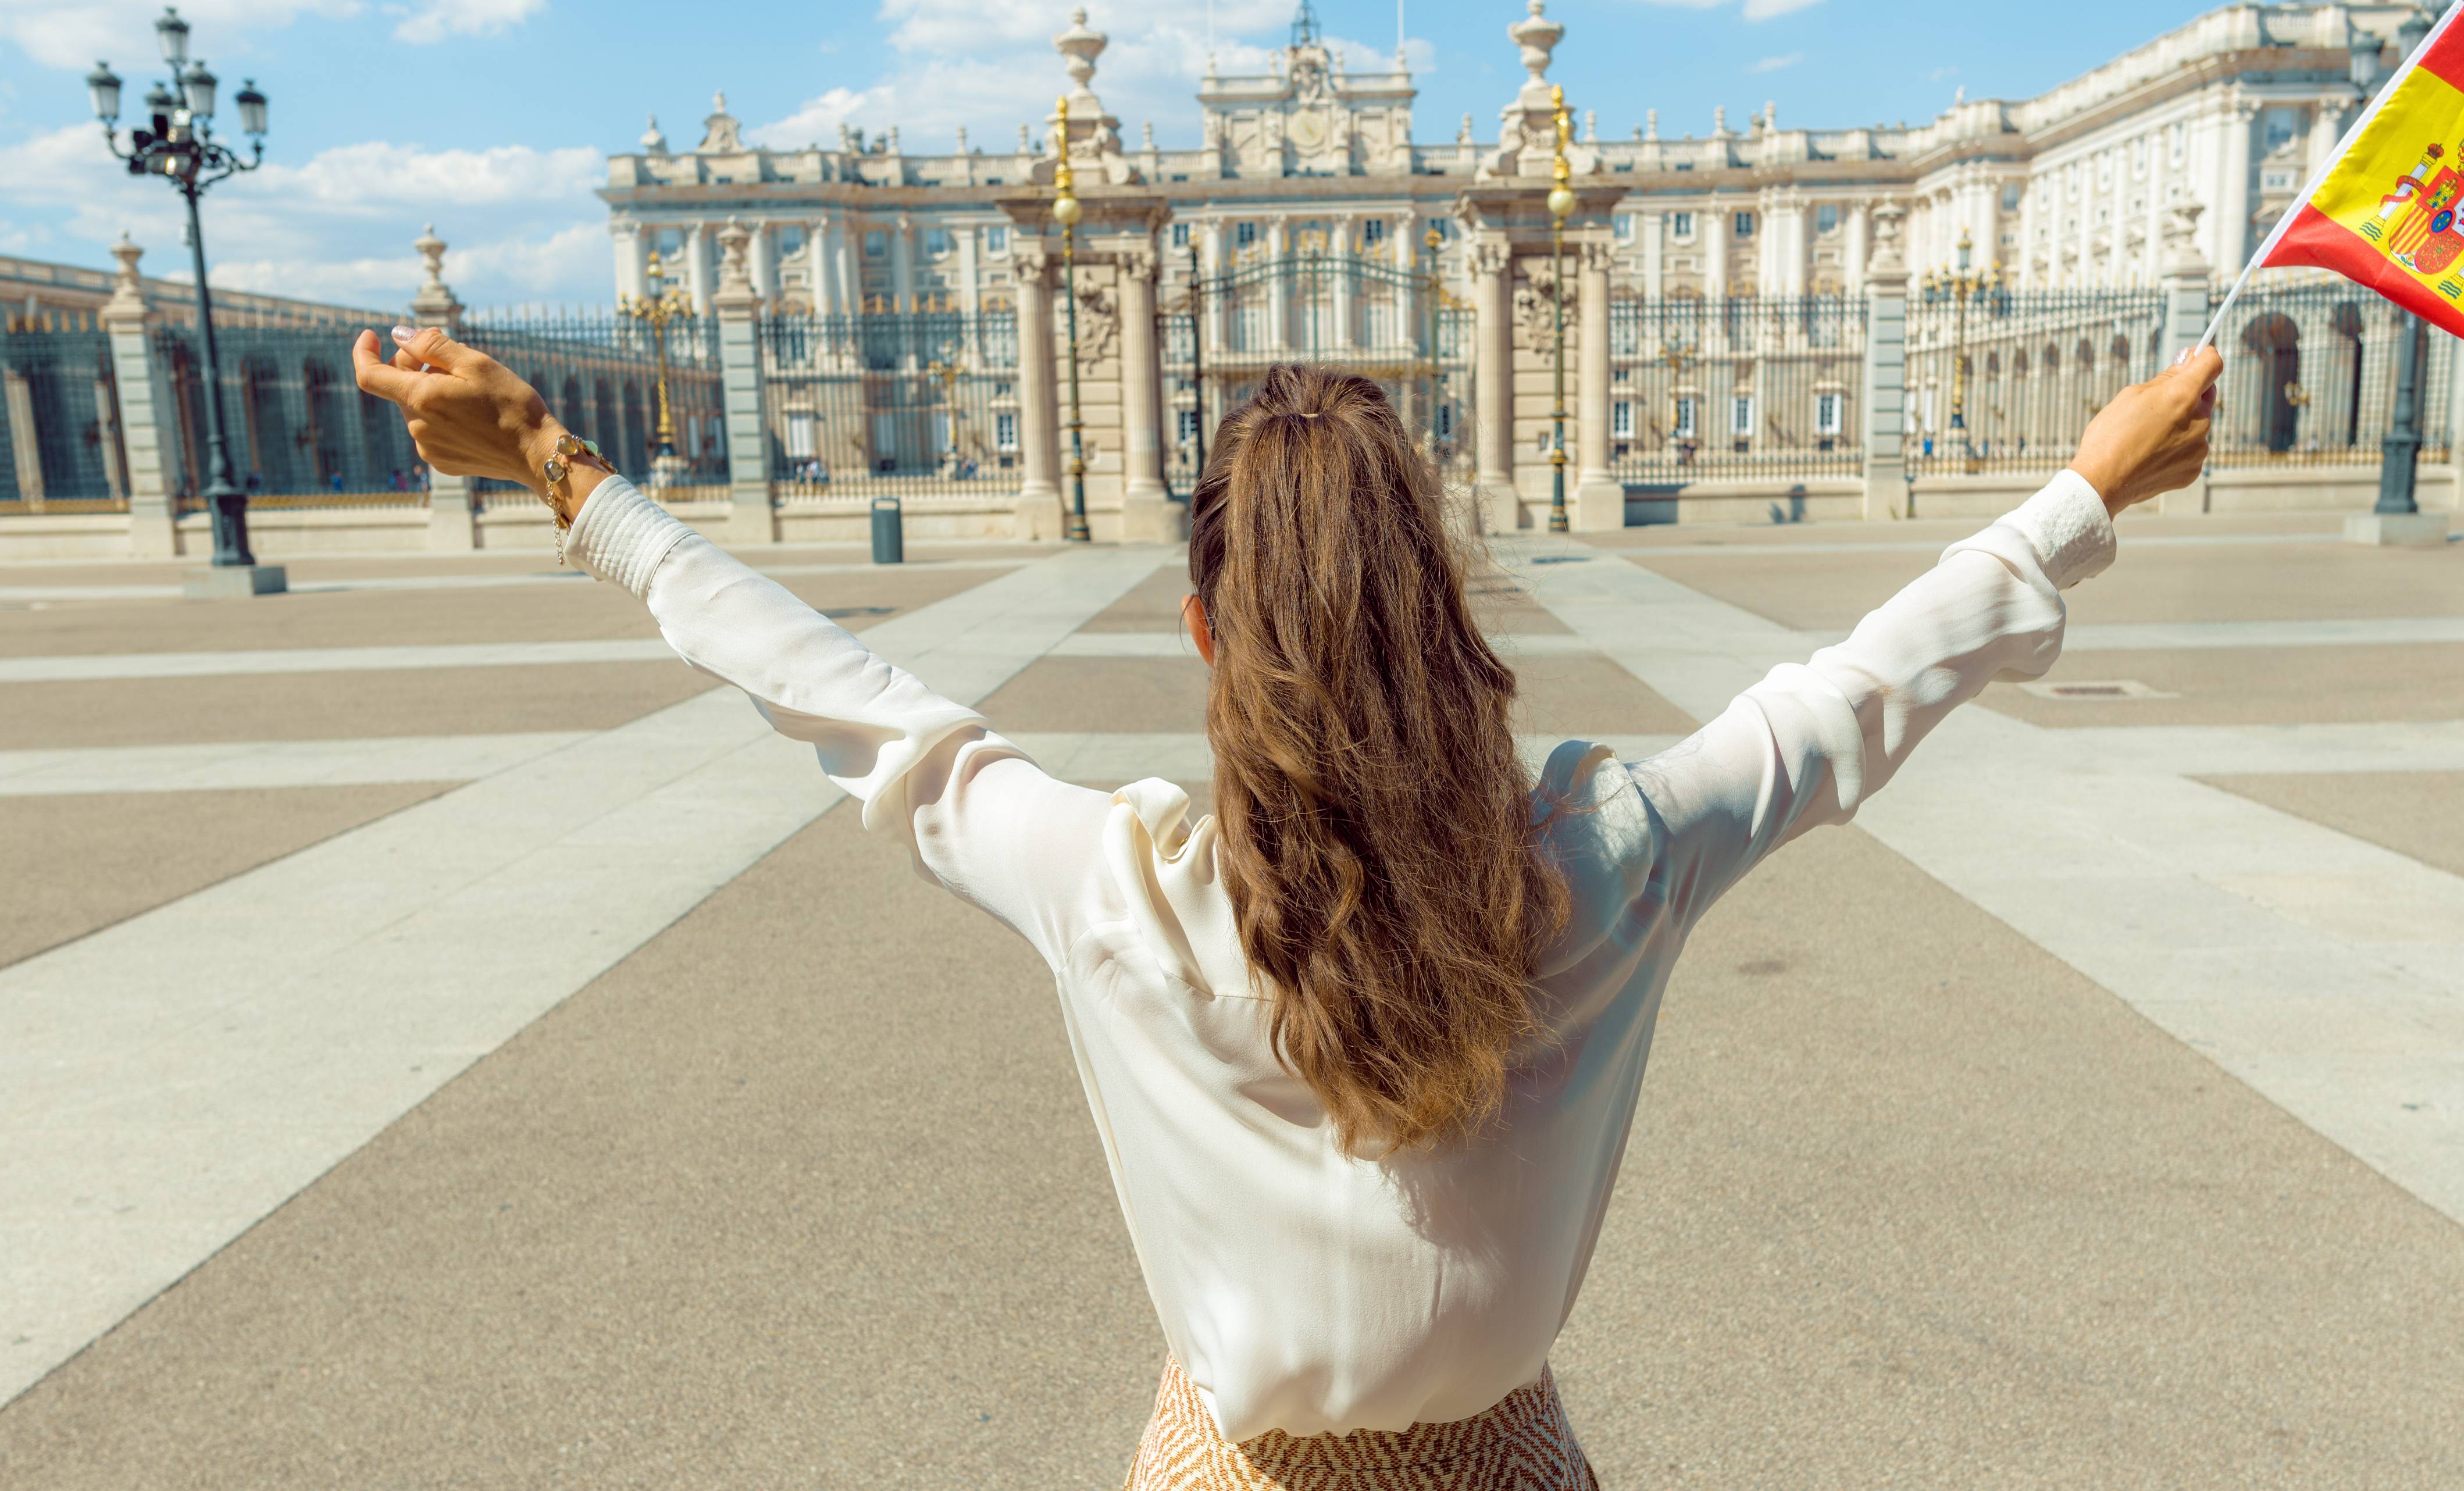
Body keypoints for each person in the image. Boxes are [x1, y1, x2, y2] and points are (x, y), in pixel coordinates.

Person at [352, 323, 2217, 1488]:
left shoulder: (1117, 886)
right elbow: (1848, 698)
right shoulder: (1605, 856)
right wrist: (2083, 486)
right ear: (1447, 610)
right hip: (1503, 1469)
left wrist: (551, 460)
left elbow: (842, 697)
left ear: (1200, 633)